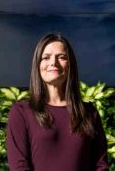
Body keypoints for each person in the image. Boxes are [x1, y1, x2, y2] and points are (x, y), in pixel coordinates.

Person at [6, 33, 108, 171]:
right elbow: (19, 167)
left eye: (61, 57)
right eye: (46, 57)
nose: (53, 62)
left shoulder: (89, 113)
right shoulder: (21, 112)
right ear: (38, 65)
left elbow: (100, 166)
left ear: (70, 65)